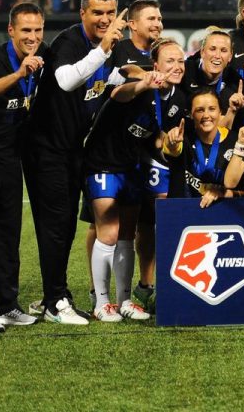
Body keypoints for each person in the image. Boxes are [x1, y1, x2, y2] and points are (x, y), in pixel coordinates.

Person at [23, 0, 126, 324]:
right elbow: (67, 80)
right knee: (55, 226)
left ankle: (57, 294)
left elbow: (107, 80)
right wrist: (105, 47)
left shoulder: (105, 48)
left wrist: (134, 75)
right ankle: (55, 301)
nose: (105, 19)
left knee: (64, 227)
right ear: (82, 13)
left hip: (71, 152)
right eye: (97, 12)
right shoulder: (70, 42)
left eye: (110, 13)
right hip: (46, 151)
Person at [82, 38, 187, 321]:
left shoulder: (176, 98)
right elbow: (119, 94)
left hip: (131, 167)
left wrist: (170, 142)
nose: (177, 66)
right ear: (155, 66)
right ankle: (101, 302)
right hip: (102, 163)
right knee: (110, 231)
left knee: (128, 235)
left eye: (181, 61)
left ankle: (124, 300)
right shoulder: (140, 83)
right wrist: (144, 83)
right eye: (170, 61)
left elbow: (155, 138)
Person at [0, 3, 46, 332]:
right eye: (26, 30)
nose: (33, 37)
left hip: (10, 159)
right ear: (11, 30)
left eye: (38, 30)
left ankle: (6, 305)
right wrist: (18, 74)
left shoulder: (42, 60)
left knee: (7, 236)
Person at [163, 88, 238, 207]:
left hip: (224, 215)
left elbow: (243, 190)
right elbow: (172, 147)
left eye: (212, 109)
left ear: (220, 112)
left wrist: (223, 193)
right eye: (199, 110)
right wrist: (171, 140)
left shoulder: (236, 141)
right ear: (191, 115)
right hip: (182, 214)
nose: (206, 115)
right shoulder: (182, 139)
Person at [181, 28, 242, 97]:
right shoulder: (184, 72)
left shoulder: (235, 81)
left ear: (230, 56)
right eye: (212, 49)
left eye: (223, 50)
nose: (217, 56)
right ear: (202, 52)